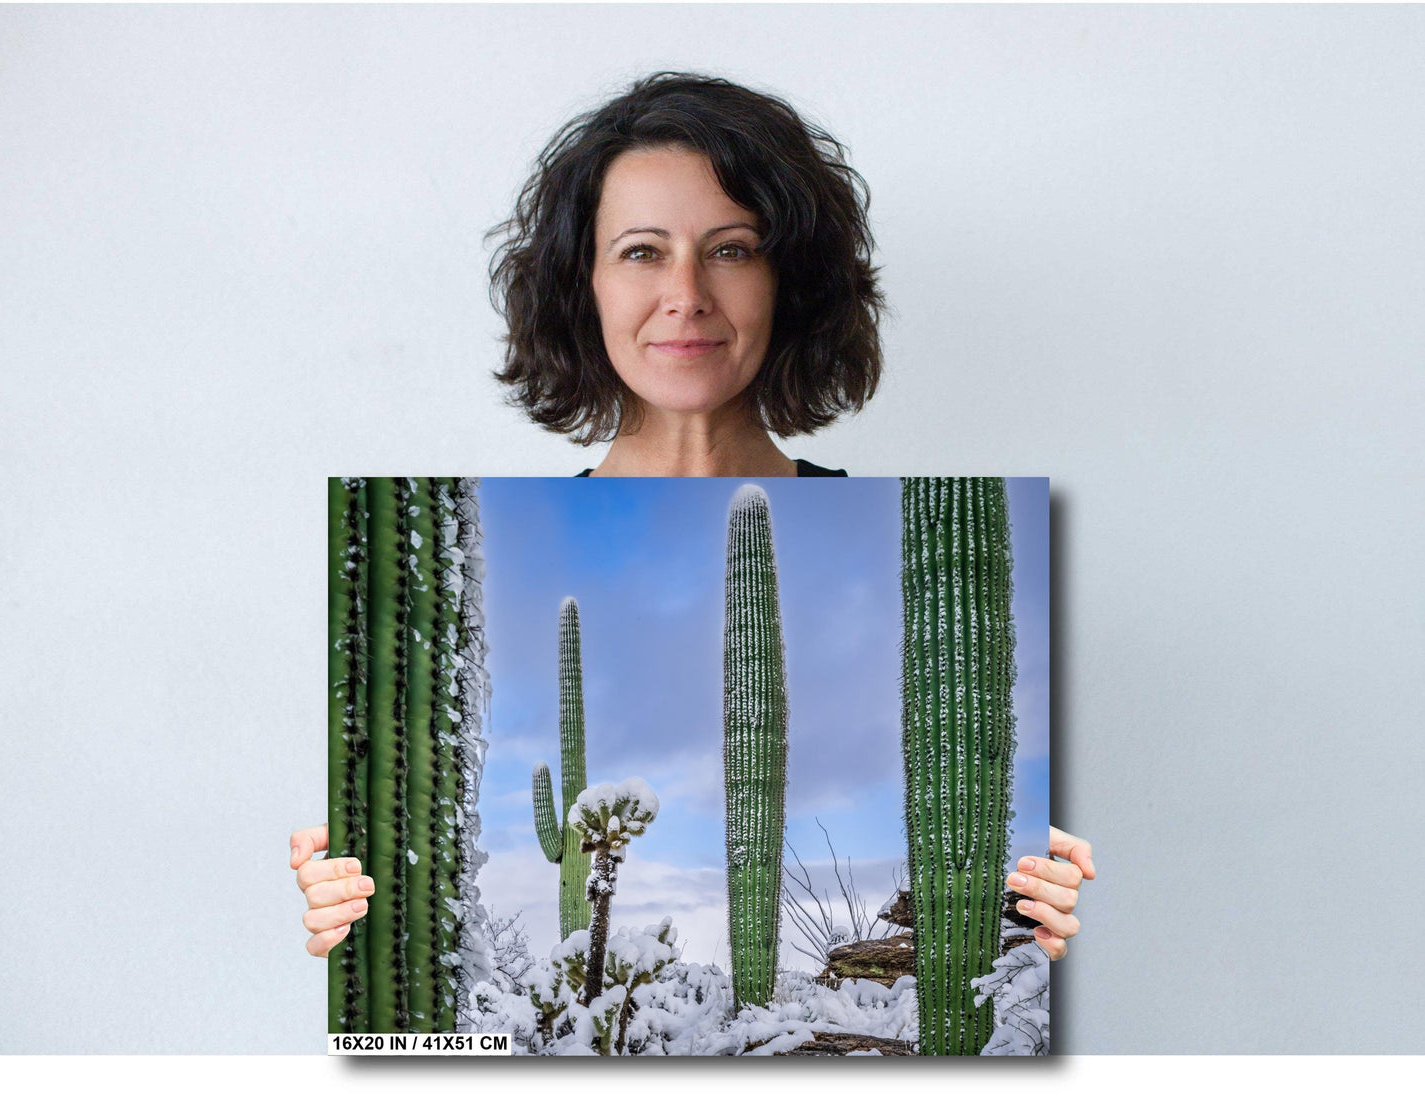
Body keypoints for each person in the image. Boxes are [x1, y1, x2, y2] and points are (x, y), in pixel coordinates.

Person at [293, 71, 1095, 964]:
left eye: (732, 249)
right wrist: (356, 916)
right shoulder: (468, 545)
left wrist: (1035, 917)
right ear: (583, 283)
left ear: (788, 282)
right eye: (641, 251)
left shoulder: (939, 548)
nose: (686, 293)